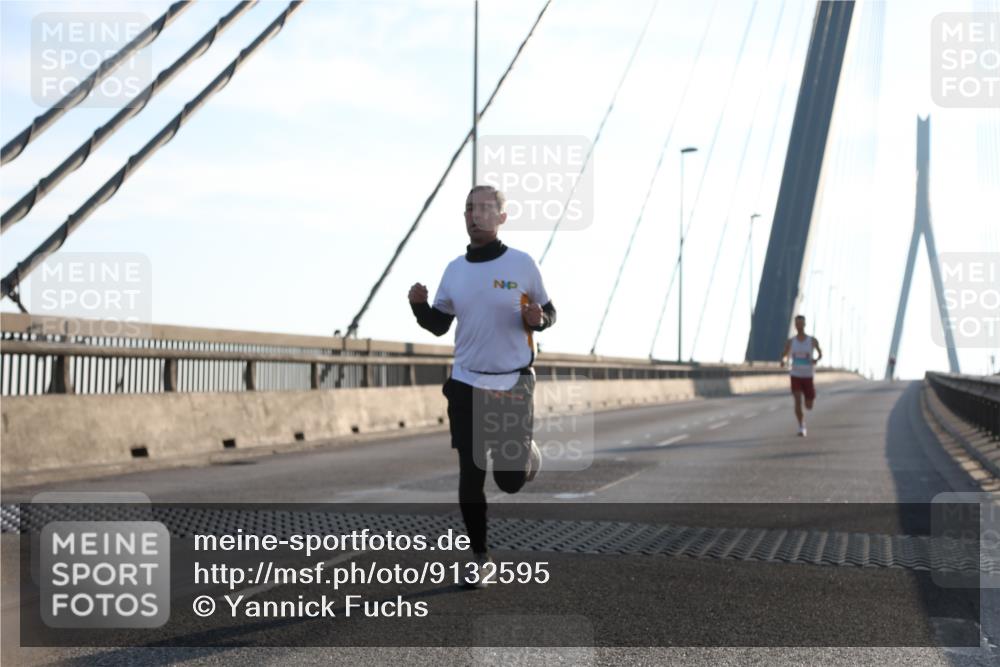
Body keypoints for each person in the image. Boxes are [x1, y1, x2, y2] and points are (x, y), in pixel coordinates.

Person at [408, 185, 556, 588]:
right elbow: (440, 324)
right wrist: (419, 306)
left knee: (508, 481)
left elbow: (550, 312)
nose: (476, 215)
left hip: (512, 382)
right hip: (466, 382)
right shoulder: (455, 269)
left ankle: (525, 454)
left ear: (502, 217)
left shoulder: (522, 264)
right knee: (470, 473)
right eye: (470, 209)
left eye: (486, 209)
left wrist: (536, 318)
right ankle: (480, 557)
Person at [781, 314, 822, 437]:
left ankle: (809, 399)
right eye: (797, 323)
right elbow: (784, 354)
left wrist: (816, 359)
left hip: (808, 375)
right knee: (797, 400)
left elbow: (820, 353)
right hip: (795, 375)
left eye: (801, 323)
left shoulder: (812, 340)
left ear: (804, 324)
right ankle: (801, 426)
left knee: (808, 406)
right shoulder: (791, 342)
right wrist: (783, 361)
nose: (799, 326)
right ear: (795, 325)